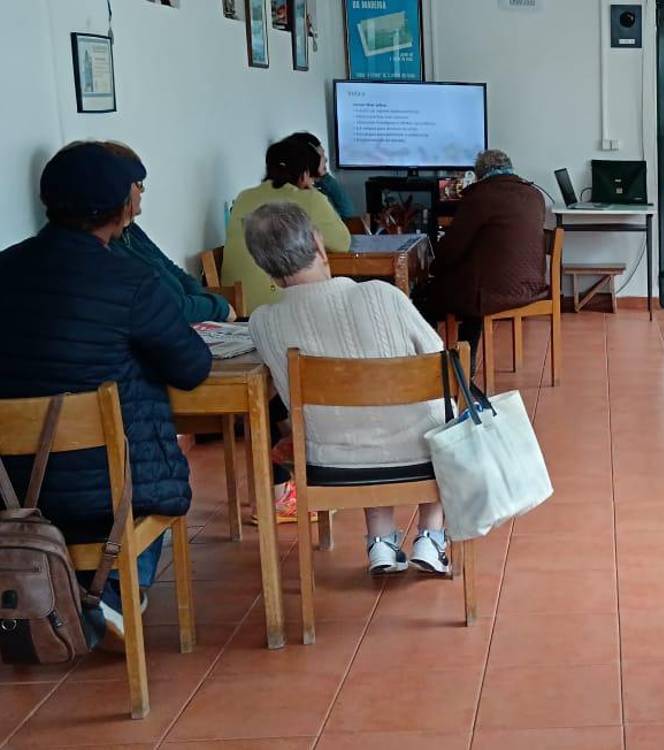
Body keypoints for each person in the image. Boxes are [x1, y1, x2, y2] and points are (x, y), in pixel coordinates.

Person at [0, 142, 212, 638]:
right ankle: (115, 589)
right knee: (152, 474)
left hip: (11, 486)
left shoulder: (5, 269)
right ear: (119, 205)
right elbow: (191, 367)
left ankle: (72, 588)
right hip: (110, 489)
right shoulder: (130, 279)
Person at [243, 202, 450, 575]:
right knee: (438, 416)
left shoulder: (263, 323)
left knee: (353, 423)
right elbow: (440, 364)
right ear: (319, 246)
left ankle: (381, 543)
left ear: (263, 266)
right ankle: (431, 537)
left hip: (330, 462)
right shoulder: (381, 295)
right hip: (420, 455)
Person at [101, 141, 236, 323]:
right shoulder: (106, 247)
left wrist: (204, 301)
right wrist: (218, 307)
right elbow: (168, 308)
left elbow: (174, 271)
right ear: (121, 188)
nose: (142, 191)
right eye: (138, 184)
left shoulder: (130, 230)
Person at [427, 149, 548, 349]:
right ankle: (466, 362)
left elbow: (452, 249)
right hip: (532, 287)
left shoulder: (479, 196)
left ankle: (437, 362)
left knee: (428, 299)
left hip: (490, 294)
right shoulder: (534, 195)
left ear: (479, 174)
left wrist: (432, 268)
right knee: (473, 286)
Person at [222, 136, 352, 310]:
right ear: (304, 172)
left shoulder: (244, 197)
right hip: (282, 307)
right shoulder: (310, 198)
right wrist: (311, 190)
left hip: (237, 307)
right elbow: (342, 243)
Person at [287, 131, 360, 221]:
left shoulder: (319, 187)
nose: (325, 159)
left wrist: (324, 177)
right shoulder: (309, 196)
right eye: (321, 156)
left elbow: (348, 213)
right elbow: (347, 213)